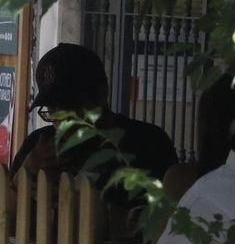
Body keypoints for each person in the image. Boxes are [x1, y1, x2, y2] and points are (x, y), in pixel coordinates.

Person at [9, 43, 178, 214]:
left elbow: (166, 228)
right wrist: (20, 182)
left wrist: (82, 207)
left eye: (69, 107)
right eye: (52, 111)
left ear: (101, 94)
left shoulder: (148, 145)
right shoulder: (38, 147)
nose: (60, 122)